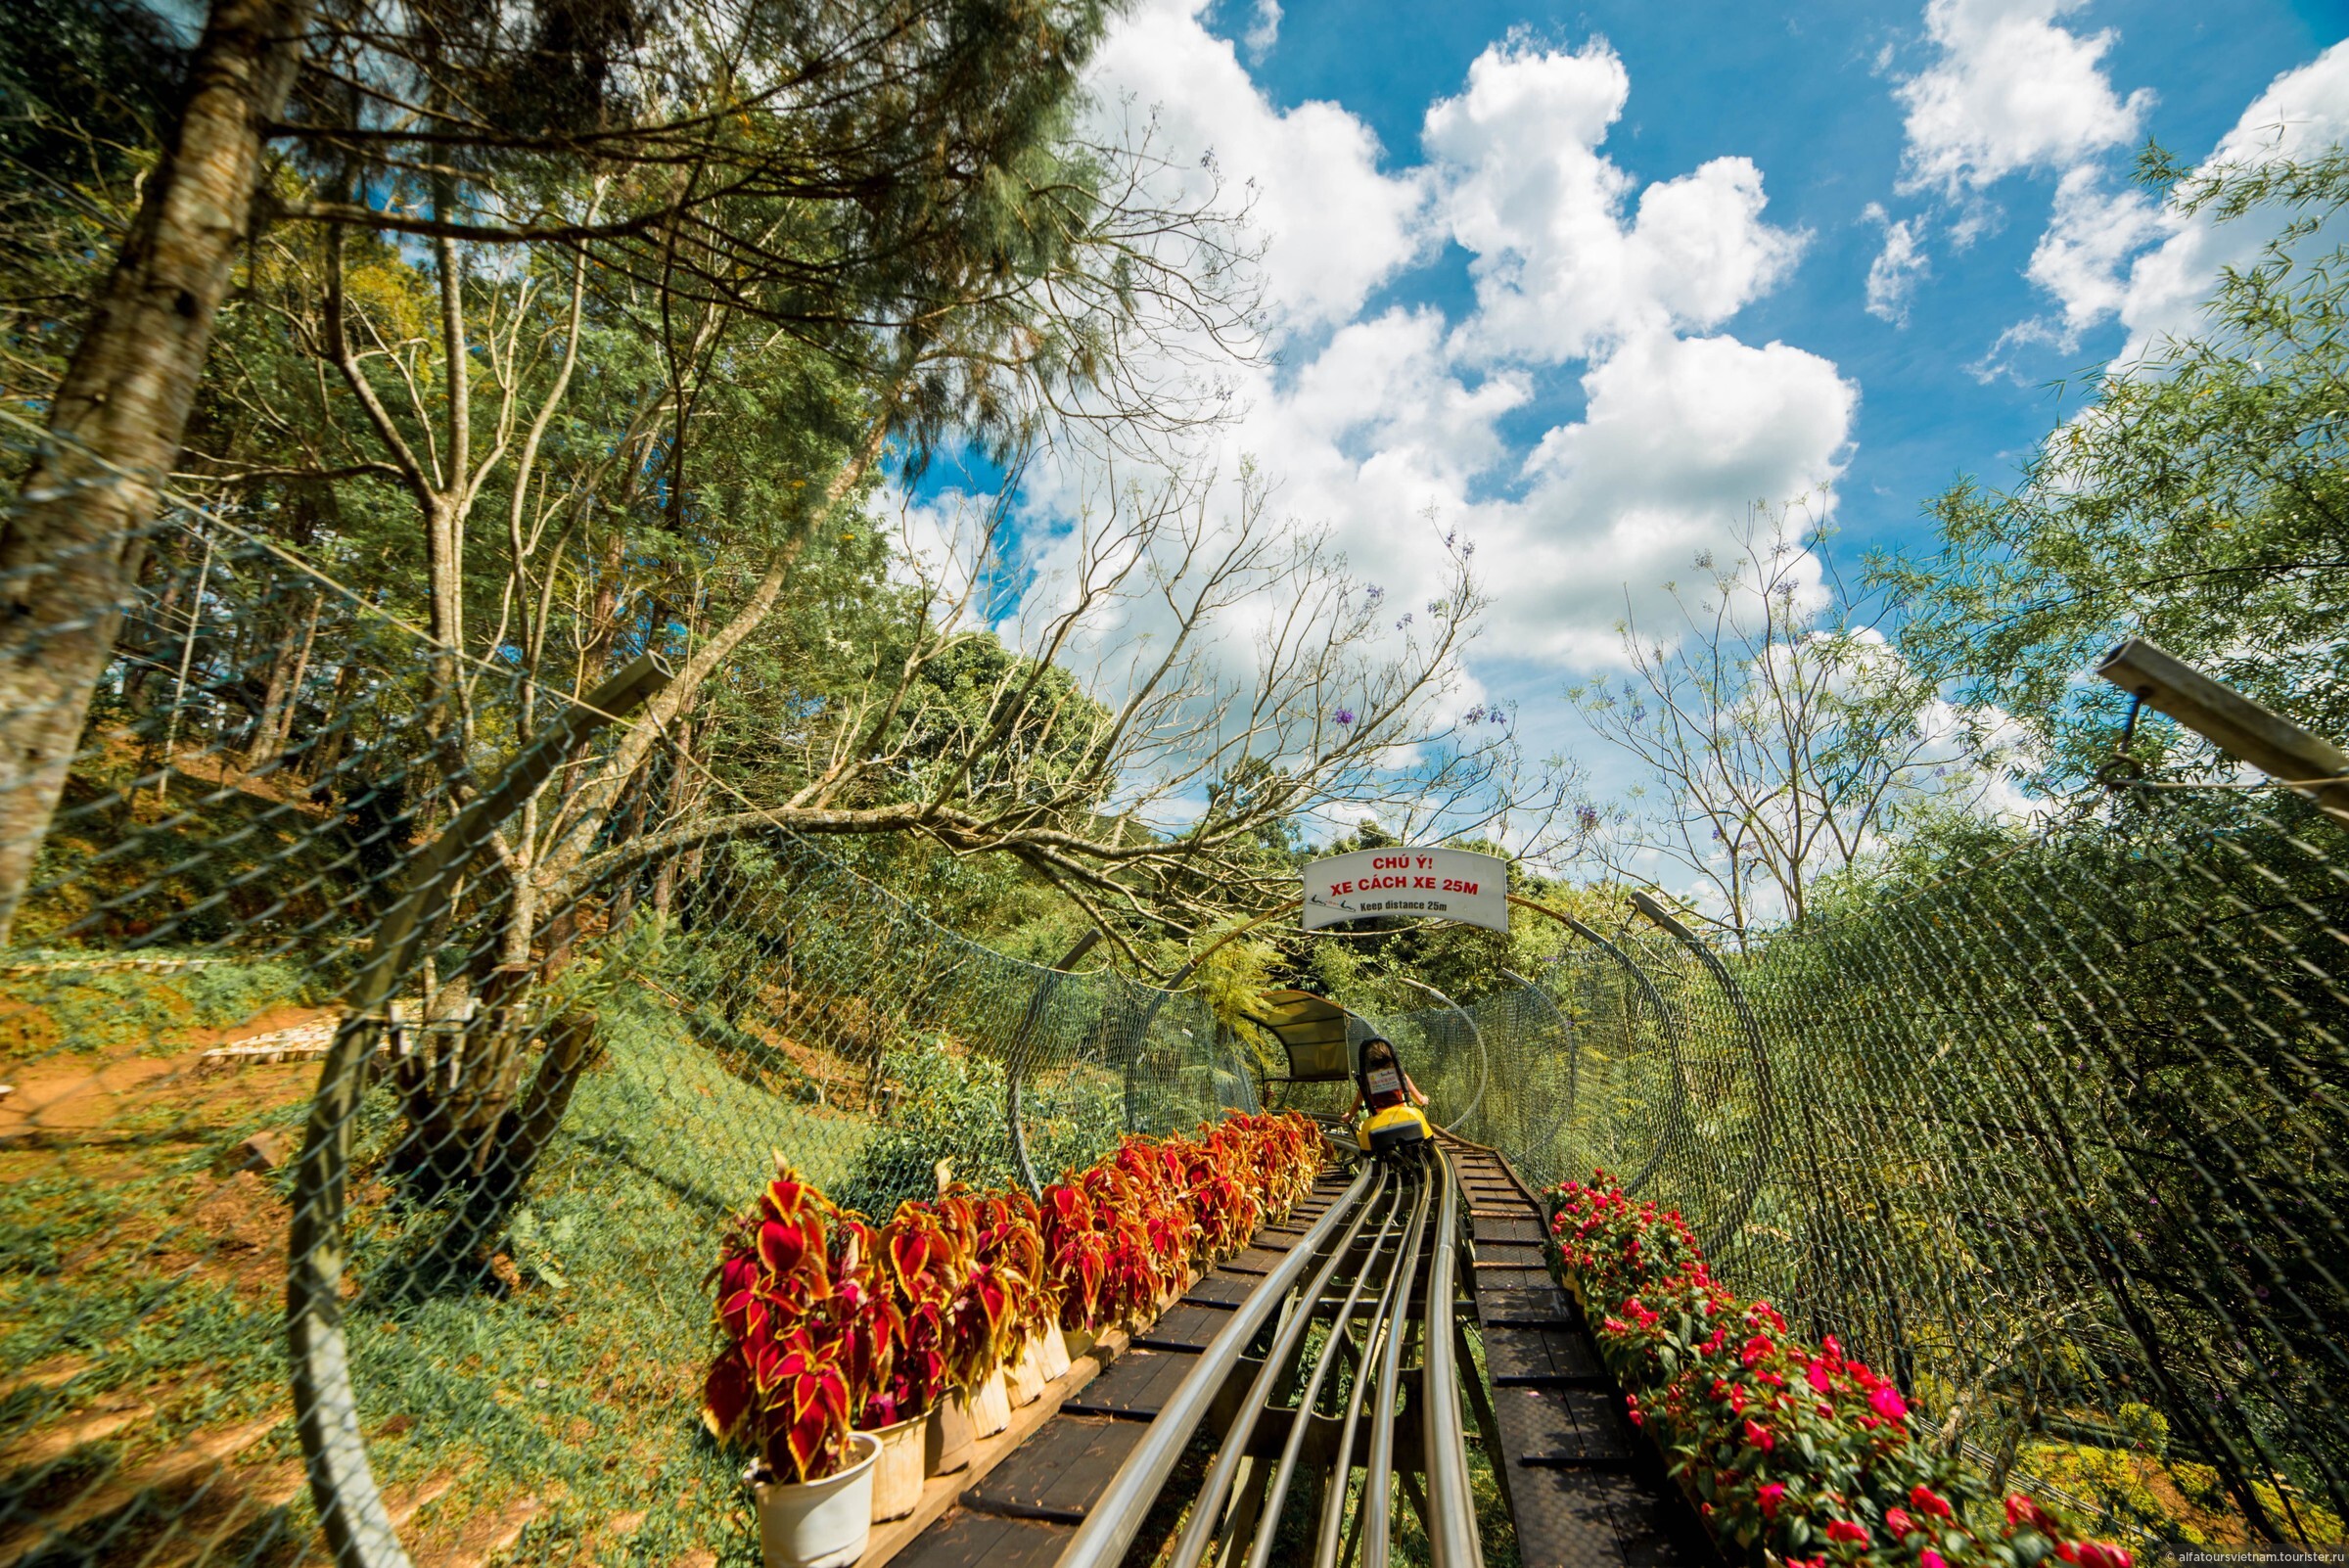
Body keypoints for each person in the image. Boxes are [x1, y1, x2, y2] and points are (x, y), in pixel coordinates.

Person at [1346, 1036, 1427, 1123]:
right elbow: (1420, 1100)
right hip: (1403, 1120)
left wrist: (1349, 1116)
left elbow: (1356, 1104)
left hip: (1379, 1122)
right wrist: (1425, 1099)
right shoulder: (1400, 1076)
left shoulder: (1368, 1082)